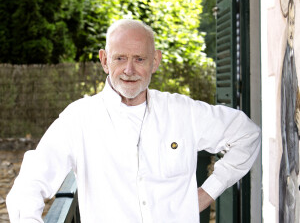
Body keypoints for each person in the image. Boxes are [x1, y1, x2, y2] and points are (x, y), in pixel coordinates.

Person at [6, 19, 261, 222]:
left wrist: (206, 194)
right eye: (120, 58)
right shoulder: (79, 119)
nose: (129, 70)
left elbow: (247, 135)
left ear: (155, 61)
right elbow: (29, 184)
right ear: (105, 60)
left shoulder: (183, 112)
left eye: (139, 59)